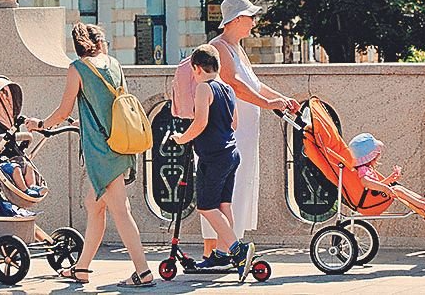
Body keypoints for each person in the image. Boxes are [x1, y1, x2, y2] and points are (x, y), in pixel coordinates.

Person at [26, 23, 155, 288]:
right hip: (121, 142)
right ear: (100, 43)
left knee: (121, 210)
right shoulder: (115, 65)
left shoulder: (78, 69)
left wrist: (39, 124)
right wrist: (81, 123)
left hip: (101, 151)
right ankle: (81, 268)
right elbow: (115, 106)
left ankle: (142, 272)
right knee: (94, 205)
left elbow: (62, 111)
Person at [199, 0, 299, 259]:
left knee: (235, 189)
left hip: (241, 132)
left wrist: (280, 99)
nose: (254, 22)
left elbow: (253, 84)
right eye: (250, 17)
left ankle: (225, 249)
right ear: (236, 19)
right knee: (224, 189)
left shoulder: (237, 48)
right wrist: (268, 104)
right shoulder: (218, 47)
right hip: (227, 132)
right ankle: (214, 251)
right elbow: (232, 83)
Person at [169, 45, 256, 282]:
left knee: (206, 207)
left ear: (196, 68)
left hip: (214, 157)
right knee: (223, 205)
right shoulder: (227, 89)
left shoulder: (203, 89)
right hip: (231, 154)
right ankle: (221, 253)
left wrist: (181, 138)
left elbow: (199, 123)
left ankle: (238, 250)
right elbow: (234, 123)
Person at [349, 133, 425, 216]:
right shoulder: (363, 169)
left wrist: (391, 179)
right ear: (372, 156)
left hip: (372, 197)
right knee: (397, 190)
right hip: (370, 202)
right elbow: (366, 183)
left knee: (398, 187)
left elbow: (374, 187)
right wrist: (385, 188)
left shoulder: (366, 169)